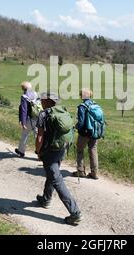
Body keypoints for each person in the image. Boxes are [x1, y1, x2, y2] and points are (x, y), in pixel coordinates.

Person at [35, 91, 82, 226]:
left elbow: (39, 137)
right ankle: (46, 199)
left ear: (48, 101)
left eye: (42, 100)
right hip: (62, 148)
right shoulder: (62, 111)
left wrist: (38, 151)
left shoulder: (44, 114)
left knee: (57, 180)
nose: (41, 102)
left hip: (49, 151)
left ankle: (75, 213)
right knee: (53, 174)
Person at [73, 88, 100, 180]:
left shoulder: (82, 106)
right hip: (95, 132)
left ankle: (80, 171)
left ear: (82, 96)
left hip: (85, 133)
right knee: (93, 150)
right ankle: (94, 173)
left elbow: (81, 122)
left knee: (80, 150)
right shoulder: (95, 104)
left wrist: (75, 127)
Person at [16, 81, 38, 157]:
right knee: (38, 136)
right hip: (38, 118)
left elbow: (24, 110)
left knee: (25, 135)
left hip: (30, 119)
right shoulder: (35, 94)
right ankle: (40, 153)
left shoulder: (24, 97)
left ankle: (21, 151)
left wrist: (23, 122)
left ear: (23, 89)